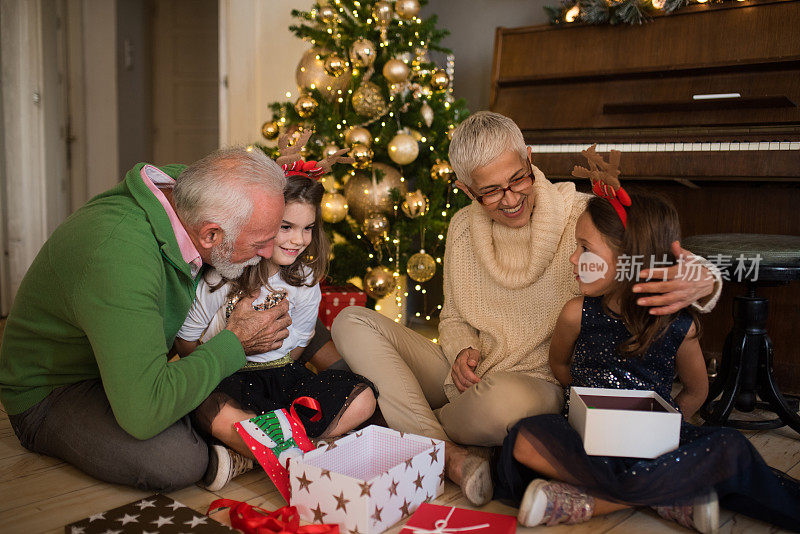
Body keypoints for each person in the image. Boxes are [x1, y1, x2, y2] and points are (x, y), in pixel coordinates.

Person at [331, 111, 722, 506]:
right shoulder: (462, 229)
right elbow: (452, 317)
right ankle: (451, 455)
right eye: (492, 191)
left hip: (538, 387)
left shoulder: (584, 217)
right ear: (466, 190)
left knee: (502, 402)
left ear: (529, 158)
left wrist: (706, 281)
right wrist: (461, 349)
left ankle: (402, 423)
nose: (512, 197)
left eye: (518, 178)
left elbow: (655, 259)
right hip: (467, 379)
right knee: (350, 321)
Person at [0, 148, 323, 491]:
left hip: (134, 361)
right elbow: (145, 411)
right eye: (261, 242)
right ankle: (218, 432)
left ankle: (221, 423)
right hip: (56, 388)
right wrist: (236, 341)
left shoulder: (190, 190)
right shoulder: (119, 260)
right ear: (210, 235)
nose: (267, 252)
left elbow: (239, 179)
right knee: (178, 459)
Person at [497, 191, 800, 532]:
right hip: (587, 441)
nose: (573, 258)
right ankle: (668, 494)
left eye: (585, 248)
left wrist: (662, 429)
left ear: (630, 259)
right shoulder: (575, 315)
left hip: (654, 450)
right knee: (524, 438)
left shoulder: (679, 328)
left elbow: (697, 389)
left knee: (731, 447)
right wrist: (585, 404)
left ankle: (591, 502)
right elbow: (560, 366)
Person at [175, 172, 377, 490]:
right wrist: (230, 352)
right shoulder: (220, 279)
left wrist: (278, 364)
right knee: (211, 410)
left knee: (363, 399)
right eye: (287, 227)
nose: (298, 239)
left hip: (283, 379)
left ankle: (251, 455)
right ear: (262, 223)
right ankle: (295, 449)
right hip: (229, 379)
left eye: (307, 228)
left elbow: (298, 345)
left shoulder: (306, 280)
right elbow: (186, 342)